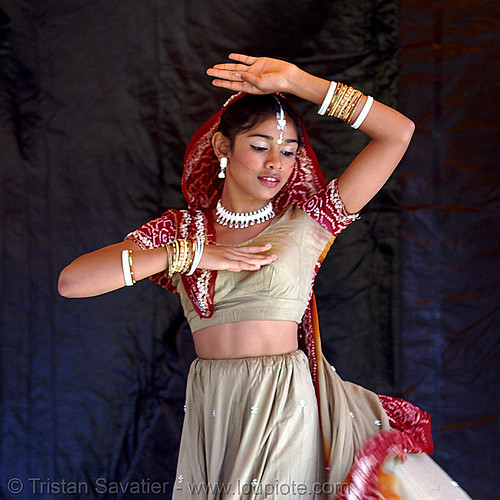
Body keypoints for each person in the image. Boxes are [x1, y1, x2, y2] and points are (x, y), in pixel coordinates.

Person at [58, 54, 466, 499]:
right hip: (213, 411)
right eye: (259, 146)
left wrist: (301, 82)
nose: (276, 162)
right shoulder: (181, 232)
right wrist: (190, 254)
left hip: (284, 405)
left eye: (289, 151)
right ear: (221, 147)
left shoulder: (310, 220)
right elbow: (73, 282)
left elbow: (397, 134)